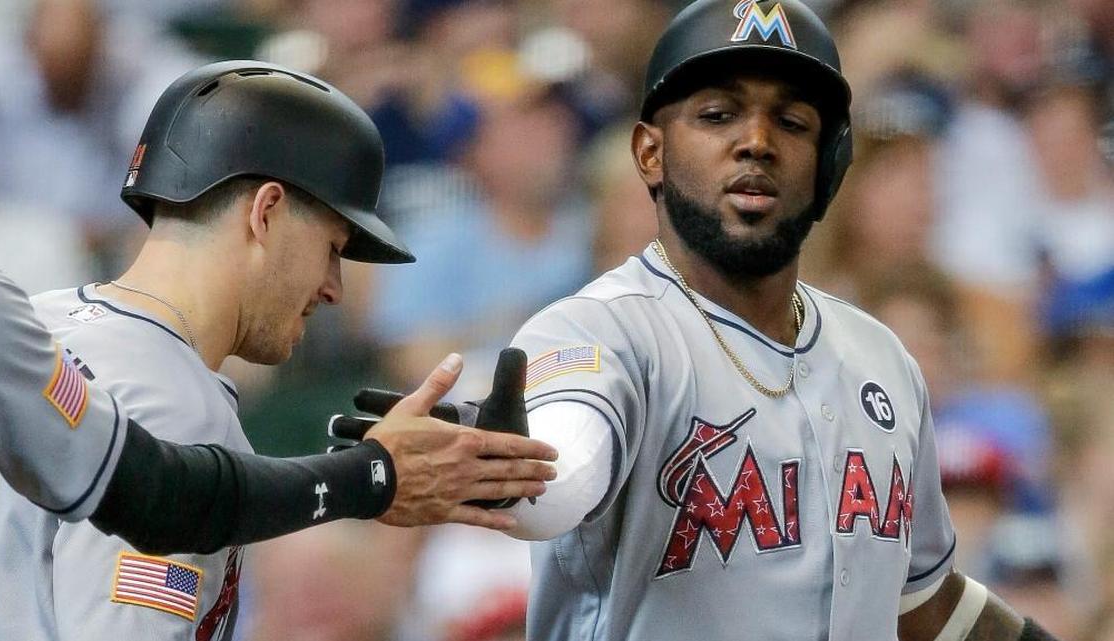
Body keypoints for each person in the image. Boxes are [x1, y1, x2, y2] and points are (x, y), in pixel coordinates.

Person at [369, 1, 1061, 639]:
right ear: (650, 152)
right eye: (717, 115)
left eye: (791, 121)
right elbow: (564, 471)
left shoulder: (881, 358)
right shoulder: (599, 331)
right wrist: (520, 471)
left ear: (828, 165)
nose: (756, 140)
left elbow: (919, 598)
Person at [0, 59, 555, 641]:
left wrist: (374, 475)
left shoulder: (32, 318)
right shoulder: (174, 402)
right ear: (267, 211)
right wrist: (376, 475)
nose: (334, 286)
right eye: (333, 245)